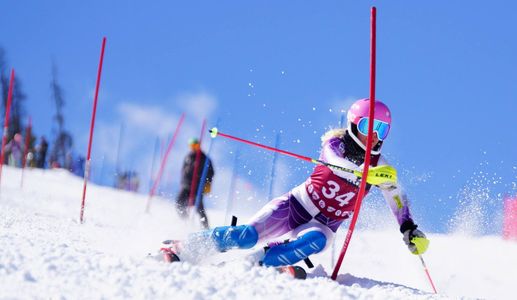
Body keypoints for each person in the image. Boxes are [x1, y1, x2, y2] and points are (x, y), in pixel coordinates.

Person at [165, 99, 429, 269]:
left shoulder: (382, 167)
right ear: (352, 125)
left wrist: (409, 228)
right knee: (246, 236)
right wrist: (368, 174)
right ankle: (183, 247)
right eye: (368, 126)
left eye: (381, 130)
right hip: (294, 207)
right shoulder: (335, 144)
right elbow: (338, 162)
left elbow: (397, 195)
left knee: (315, 241)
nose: (374, 136)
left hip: (324, 225)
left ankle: (258, 264)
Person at [175, 138, 215, 229]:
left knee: (199, 207)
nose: (194, 148)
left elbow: (211, 172)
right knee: (179, 202)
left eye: (196, 146)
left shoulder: (204, 158)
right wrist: (183, 181)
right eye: (192, 146)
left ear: (199, 145)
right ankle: (185, 222)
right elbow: (183, 170)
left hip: (198, 186)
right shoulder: (188, 157)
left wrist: (208, 183)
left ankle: (205, 228)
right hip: (186, 185)